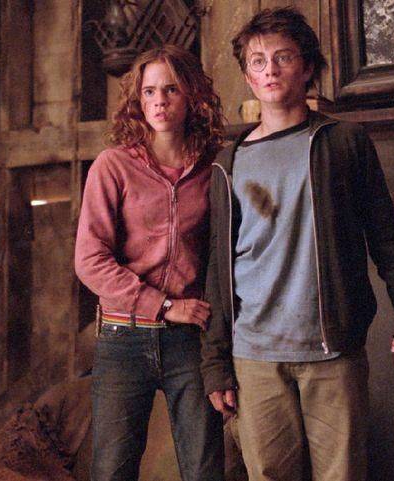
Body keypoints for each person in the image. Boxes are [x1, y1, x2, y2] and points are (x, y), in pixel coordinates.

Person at [200, 7, 394, 481]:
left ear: (307, 67)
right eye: (258, 61)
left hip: (333, 351)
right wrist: (215, 361)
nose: (270, 70)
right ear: (247, 76)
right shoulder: (229, 162)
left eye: (283, 57)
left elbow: (387, 236)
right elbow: (219, 269)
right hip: (255, 355)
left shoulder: (344, 142)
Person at [74, 44, 227, 481]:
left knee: (205, 469)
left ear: (192, 96)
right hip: (123, 336)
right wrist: (162, 305)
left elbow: (224, 256)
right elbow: (89, 259)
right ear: (138, 100)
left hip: (191, 341)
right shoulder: (113, 166)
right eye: (149, 91)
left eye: (171, 89)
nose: (160, 101)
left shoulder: (215, 168)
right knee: (112, 471)